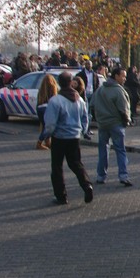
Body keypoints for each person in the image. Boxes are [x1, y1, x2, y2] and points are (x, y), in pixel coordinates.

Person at [43, 71, 93, 205]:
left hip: (59, 137)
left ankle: (61, 196)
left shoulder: (55, 100)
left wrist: (46, 135)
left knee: (57, 167)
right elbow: (85, 118)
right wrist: (82, 131)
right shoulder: (79, 100)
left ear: (59, 83)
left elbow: (50, 123)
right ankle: (87, 185)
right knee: (76, 163)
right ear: (71, 82)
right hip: (74, 137)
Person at [90, 66, 132, 187]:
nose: (125, 78)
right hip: (116, 124)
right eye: (123, 76)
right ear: (116, 76)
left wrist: (99, 117)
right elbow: (124, 109)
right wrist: (126, 121)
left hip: (103, 124)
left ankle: (101, 176)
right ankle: (123, 176)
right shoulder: (119, 91)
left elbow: (92, 104)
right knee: (120, 150)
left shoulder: (100, 89)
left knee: (103, 150)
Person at [34, 73, 59, 150]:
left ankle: (47, 141)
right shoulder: (53, 87)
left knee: (45, 126)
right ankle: (39, 143)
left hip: (40, 108)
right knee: (49, 126)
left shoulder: (41, 90)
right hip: (47, 108)